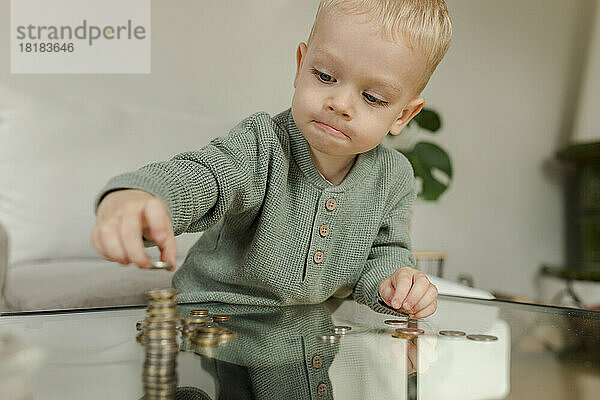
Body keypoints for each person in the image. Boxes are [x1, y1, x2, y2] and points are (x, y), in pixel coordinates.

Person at [92, 0, 452, 319]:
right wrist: (144, 196)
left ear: (404, 115)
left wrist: (395, 283)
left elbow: (385, 252)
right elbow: (204, 177)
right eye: (325, 76)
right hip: (211, 318)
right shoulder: (261, 144)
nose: (340, 104)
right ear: (300, 66)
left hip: (302, 332)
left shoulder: (395, 177)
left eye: (372, 97)